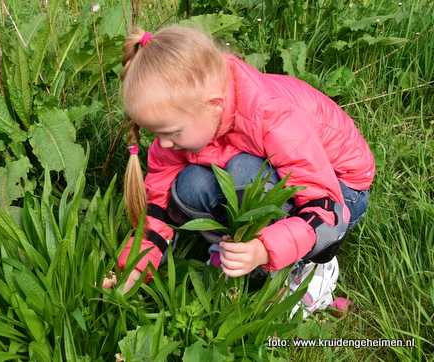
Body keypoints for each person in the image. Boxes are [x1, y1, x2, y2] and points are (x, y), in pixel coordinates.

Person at [102, 26, 374, 315]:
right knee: (187, 184)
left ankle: (312, 268)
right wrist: (134, 266)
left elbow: (326, 208)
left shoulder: (271, 116)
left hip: (340, 197)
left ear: (214, 105)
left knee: (245, 170)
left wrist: (264, 250)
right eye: (156, 133)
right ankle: (238, 245)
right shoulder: (188, 120)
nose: (163, 143)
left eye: (171, 133)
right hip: (283, 182)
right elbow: (157, 206)